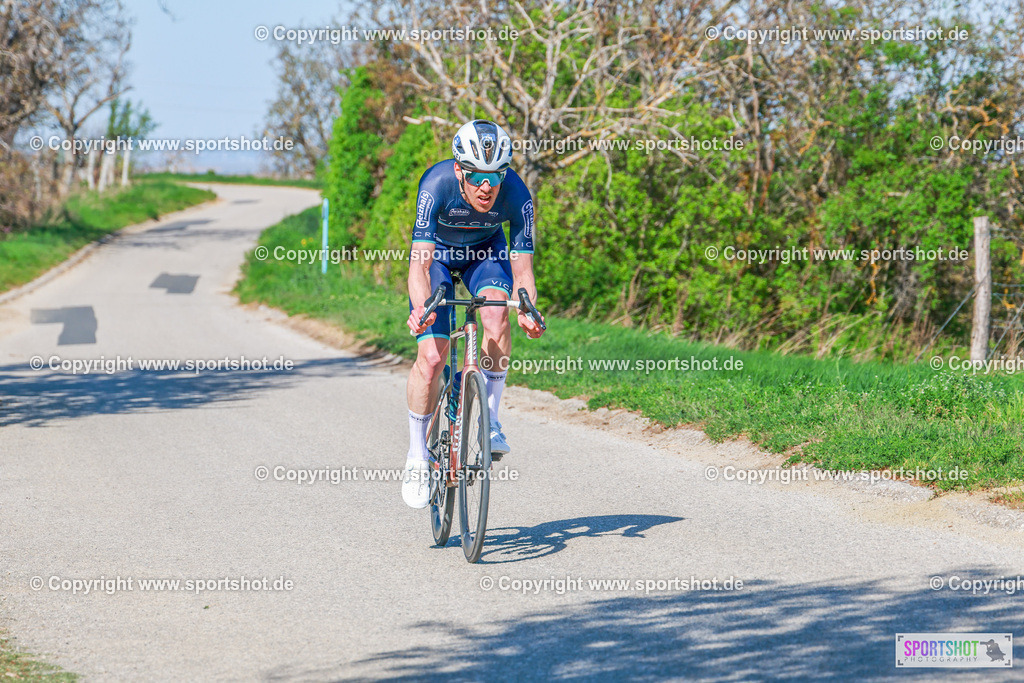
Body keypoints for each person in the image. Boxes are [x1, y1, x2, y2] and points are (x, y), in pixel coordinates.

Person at [402, 119, 544, 508]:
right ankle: (417, 455)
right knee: (431, 359)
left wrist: (528, 308)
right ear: (461, 171)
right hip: (438, 260)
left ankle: (492, 422)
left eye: (495, 176)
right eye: (478, 176)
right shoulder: (436, 186)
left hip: (486, 254)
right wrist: (421, 309)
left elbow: (523, 272)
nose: (487, 187)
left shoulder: (516, 194)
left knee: (497, 314)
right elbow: (419, 263)